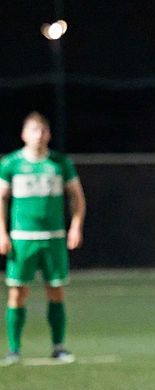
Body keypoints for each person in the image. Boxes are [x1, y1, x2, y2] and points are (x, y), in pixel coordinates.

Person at [0, 112, 86, 366]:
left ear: (49, 135)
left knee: (56, 290)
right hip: (22, 238)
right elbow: (1, 199)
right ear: (24, 134)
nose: (39, 135)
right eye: (34, 130)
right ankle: (14, 350)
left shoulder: (59, 163)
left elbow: (77, 197)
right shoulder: (11, 163)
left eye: (43, 131)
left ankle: (58, 347)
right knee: (17, 292)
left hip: (53, 238)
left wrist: (76, 226)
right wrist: (2, 232)